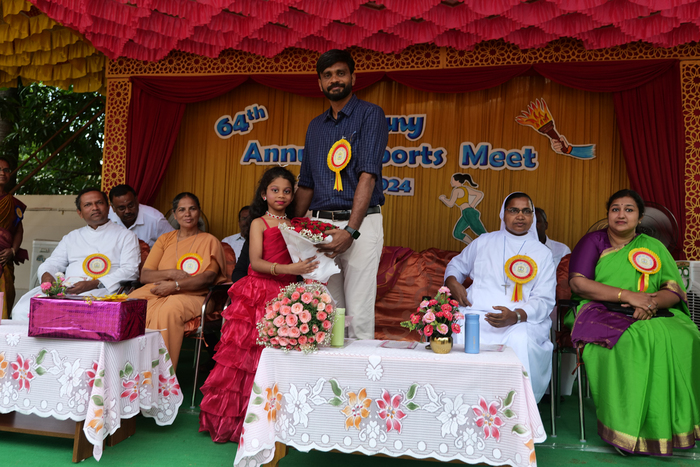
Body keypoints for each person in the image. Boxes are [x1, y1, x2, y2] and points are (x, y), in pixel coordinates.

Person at [567, 189, 700, 456]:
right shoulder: (594, 241)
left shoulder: (654, 246)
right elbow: (578, 284)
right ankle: (627, 430)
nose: (621, 214)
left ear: (640, 217)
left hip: (650, 309)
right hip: (599, 309)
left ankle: (675, 426)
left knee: (687, 335)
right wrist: (628, 296)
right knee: (632, 341)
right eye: (615, 209)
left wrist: (650, 303)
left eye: (629, 209)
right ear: (608, 214)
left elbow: (673, 290)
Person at [199, 167, 318, 443]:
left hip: (287, 294)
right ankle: (240, 422)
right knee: (247, 357)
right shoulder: (259, 223)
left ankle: (274, 421)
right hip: (259, 292)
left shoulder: (296, 224)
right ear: (264, 194)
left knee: (279, 355)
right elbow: (256, 262)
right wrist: (291, 268)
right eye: (275, 190)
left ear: (293, 196)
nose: (281, 195)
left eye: (287, 191)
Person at [294, 48, 388, 340]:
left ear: (353, 77)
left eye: (340, 73)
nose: (334, 80)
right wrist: (289, 227)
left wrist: (350, 230)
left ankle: (361, 371)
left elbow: (367, 176)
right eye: (327, 75)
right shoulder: (315, 127)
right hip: (320, 227)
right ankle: (330, 370)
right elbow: (306, 184)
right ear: (320, 83)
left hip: (360, 224)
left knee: (358, 313)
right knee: (326, 311)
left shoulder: (370, 114)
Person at [444, 192, 556, 402]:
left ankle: (515, 406)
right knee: (460, 327)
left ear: (532, 217)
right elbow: (456, 265)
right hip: (477, 314)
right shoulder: (484, 241)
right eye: (514, 210)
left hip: (521, 321)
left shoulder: (542, 253)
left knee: (520, 339)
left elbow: (545, 298)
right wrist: (452, 282)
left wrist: (516, 315)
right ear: (503, 214)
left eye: (526, 211)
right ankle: (461, 401)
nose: (520, 216)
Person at [128, 192, 226, 370]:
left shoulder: (210, 241)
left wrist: (176, 286)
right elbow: (146, 275)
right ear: (174, 214)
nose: (187, 214)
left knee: (169, 309)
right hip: (159, 290)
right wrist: (171, 274)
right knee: (130, 304)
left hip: (196, 296)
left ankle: (161, 373)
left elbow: (208, 277)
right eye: (181, 210)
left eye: (192, 209)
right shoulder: (165, 240)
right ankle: (131, 367)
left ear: (199, 212)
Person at [12, 188, 140, 322]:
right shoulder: (72, 237)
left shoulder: (126, 236)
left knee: (80, 312)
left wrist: (94, 284)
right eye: (88, 205)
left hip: (104, 289)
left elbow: (130, 270)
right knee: (22, 310)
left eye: (99, 203)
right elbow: (53, 262)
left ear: (108, 208)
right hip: (68, 289)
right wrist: (46, 275)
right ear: (80, 213)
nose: (95, 208)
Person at [0, 158, 28, 318]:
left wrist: (13, 250)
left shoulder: (13, 203)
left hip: (4, 260)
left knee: (5, 299)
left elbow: (18, 230)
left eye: (6, 170)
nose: (2, 173)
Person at [108, 184, 174, 247]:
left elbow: (174, 242)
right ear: (113, 208)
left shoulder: (155, 219)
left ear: (137, 201)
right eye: (122, 208)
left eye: (131, 205)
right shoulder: (106, 217)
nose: (127, 211)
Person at [438, 173, 487, 244]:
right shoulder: (465, 189)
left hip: (469, 213)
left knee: (482, 233)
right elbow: (479, 194)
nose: (451, 182)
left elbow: (450, 203)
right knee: (457, 233)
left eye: (452, 180)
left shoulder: (456, 190)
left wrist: (443, 199)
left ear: (457, 181)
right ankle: (472, 246)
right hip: (466, 213)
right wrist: (472, 204)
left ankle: (492, 245)